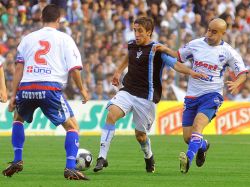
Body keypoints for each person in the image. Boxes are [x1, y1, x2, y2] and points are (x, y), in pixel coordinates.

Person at [93, 17, 206, 173]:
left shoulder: (157, 49)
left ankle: (149, 156)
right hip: (127, 90)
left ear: (149, 32)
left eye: (140, 31)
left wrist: (191, 72)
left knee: (140, 136)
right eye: (134, 30)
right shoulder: (132, 45)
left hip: (146, 98)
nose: (136, 34)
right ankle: (102, 158)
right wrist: (118, 71)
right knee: (111, 115)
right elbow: (128, 56)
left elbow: (175, 64)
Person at [2, 4, 89, 180]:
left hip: (26, 87)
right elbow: (74, 69)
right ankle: (70, 167)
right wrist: (82, 89)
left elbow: (19, 67)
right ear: (59, 19)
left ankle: (17, 159)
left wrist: (13, 95)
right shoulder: (65, 39)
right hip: (49, 88)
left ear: (42, 19)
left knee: (17, 118)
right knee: (72, 127)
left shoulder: (27, 38)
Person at [154, 18, 248, 173]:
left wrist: (236, 83)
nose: (209, 34)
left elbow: (243, 73)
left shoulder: (229, 52)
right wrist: (164, 49)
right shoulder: (195, 44)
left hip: (212, 94)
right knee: (187, 138)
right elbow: (178, 56)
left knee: (198, 125)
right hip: (192, 96)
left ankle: (188, 159)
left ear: (223, 34)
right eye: (209, 29)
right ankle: (203, 145)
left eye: (214, 32)